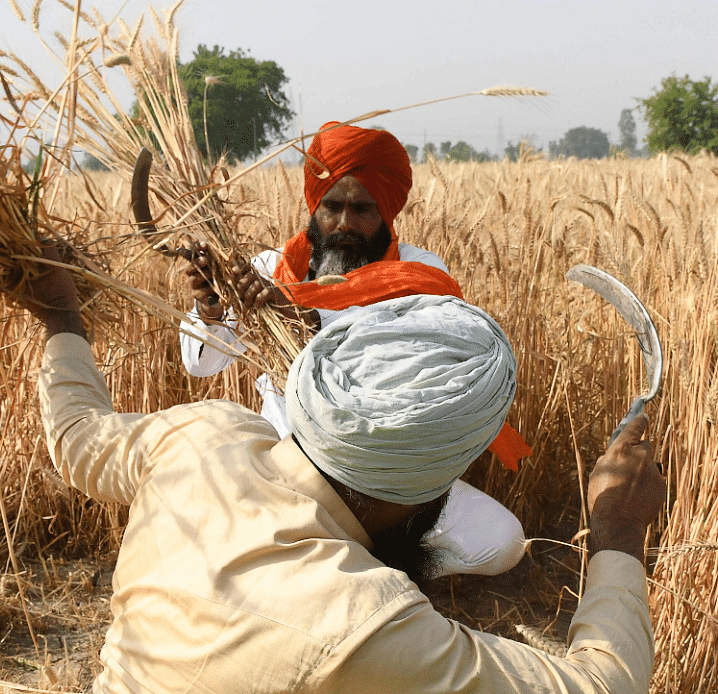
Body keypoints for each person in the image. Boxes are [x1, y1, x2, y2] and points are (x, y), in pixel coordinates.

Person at [18, 250, 665, 694]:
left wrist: (60, 315)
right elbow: (606, 684)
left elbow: (77, 435)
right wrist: (619, 525)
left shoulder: (202, 437)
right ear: (430, 489)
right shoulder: (366, 622)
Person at [179, 121, 529, 577]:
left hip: (392, 479)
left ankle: (385, 569)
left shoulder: (419, 272)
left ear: (386, 212)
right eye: (333, 207)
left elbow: (404, 353)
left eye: (362, 209)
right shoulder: (268, 269)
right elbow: (202, 363)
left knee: (503, 541)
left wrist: (306, 318)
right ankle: (351, 563)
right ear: (314, 206)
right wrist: (209, 305)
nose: (345, 223)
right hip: (288, 468)